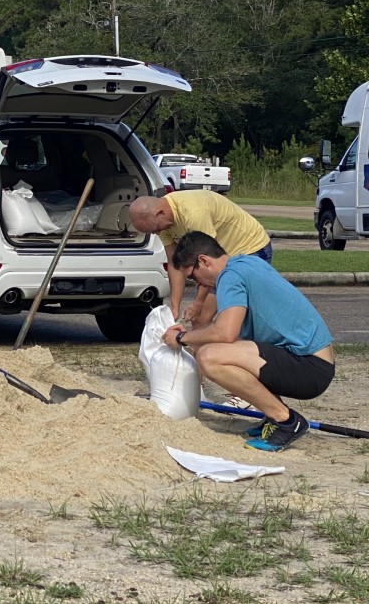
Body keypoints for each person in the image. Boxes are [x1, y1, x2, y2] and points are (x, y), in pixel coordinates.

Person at [162, 231, 335, 452]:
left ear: (203, 261)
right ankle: (274, 416)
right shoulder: (245, 263)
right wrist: (188, 334)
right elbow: (223, 331)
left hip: (310, 368)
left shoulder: (230, 277)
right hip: (313, 361)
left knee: (209, 357)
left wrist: (181, 338)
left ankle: (286, 421)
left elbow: (225, 333)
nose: (197, 283)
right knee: (220, 349)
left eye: (193, 277)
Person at [128, 191, 271, 327]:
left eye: (157, 229)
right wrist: (175, 306)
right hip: (220, 257)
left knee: (210, 317)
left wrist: (198, 302)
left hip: (250, 248)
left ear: (160, 213)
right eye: (153, 232)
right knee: (200, 319)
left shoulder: (193, 214)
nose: (158, 232)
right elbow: (174, 264)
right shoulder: (162, 222)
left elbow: (209, 262)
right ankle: (204, 352)